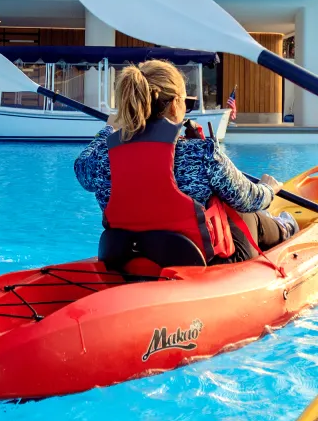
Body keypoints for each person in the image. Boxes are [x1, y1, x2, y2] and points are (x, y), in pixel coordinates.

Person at [76, 59, 297, 273]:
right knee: (242, 210)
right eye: (186, 102)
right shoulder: (202, 154)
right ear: (174, 105)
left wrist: (107, 131)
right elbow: (250, 199)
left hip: (128, 258)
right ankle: (284, 228)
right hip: (201, 264)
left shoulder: (102, 160)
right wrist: (268, 188)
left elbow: (81, 168)